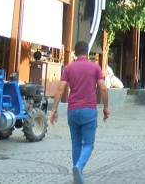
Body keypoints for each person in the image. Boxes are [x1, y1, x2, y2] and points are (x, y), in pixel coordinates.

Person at [50, 41, 109, 184]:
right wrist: (106, 107)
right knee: (88, 144)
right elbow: (102, 89)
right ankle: (78, 167)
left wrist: (53, 110)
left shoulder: (68, 68)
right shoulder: (95, 67)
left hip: (73, 111)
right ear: (87, 52)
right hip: (89, 110)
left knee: (76, 143)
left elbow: (60, 89)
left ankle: (78, 176)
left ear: (75, 53)